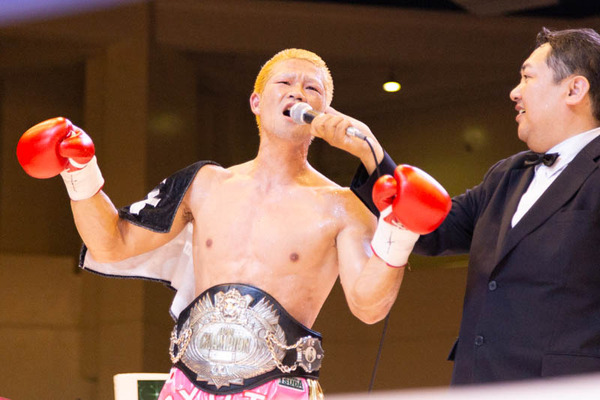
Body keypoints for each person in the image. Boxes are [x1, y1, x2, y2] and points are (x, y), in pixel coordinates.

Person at [16, 49, 450, 399]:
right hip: (187, 386)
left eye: (312, 88)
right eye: (285, 83)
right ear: (256, 102)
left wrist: (399, 231)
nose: (297, 92)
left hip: (281, 389)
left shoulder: (341, 207)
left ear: (324, 112)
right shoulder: (204, 184)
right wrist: (79, 172)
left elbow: (369, 307)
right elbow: (112, 244)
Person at [314, 27, 600, 385]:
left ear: (574, 90)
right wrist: (369, 151)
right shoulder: (507, 174)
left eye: (527, 77)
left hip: (565, 386)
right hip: (477, 380)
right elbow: (432, 227)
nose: (515, 92)